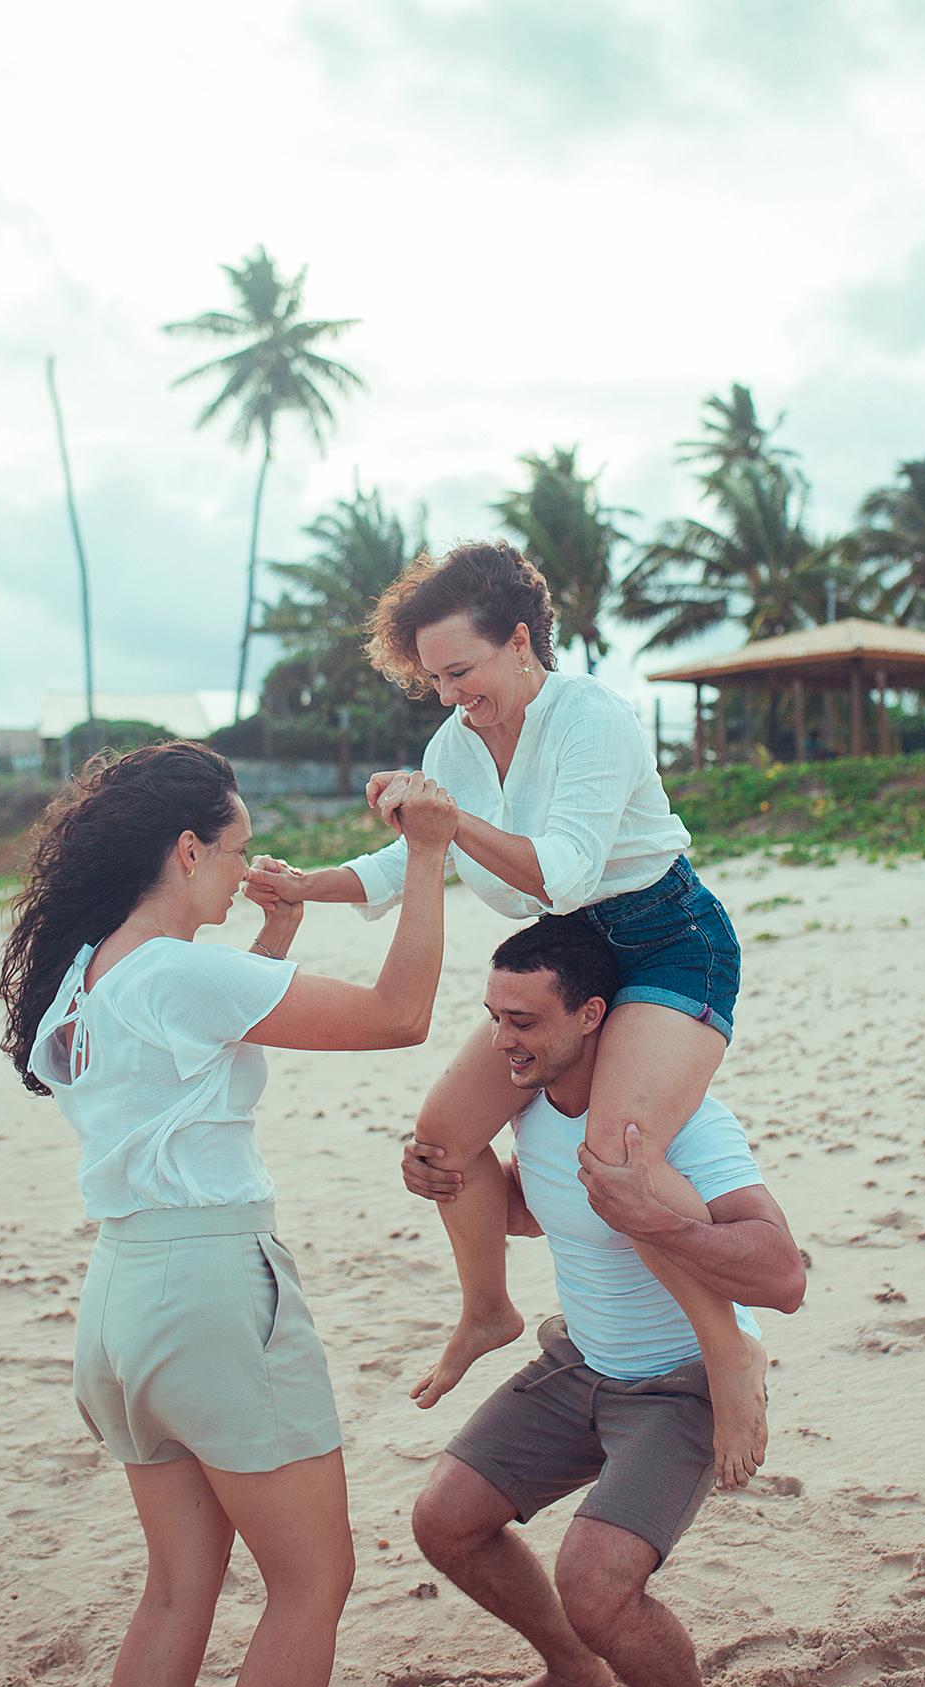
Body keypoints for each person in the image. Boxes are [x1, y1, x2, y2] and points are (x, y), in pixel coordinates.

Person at [246, 541, 763, 1492]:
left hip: (669, 942)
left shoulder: (590, 717)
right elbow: (412, 861)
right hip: (567, 957)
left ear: (521, 642)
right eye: (434, 680)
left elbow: (561, 870)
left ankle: (727, 1347)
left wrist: (444, 820)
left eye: (462, 671)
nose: (450, 696)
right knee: (442, 1137)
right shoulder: (455, 745)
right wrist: (305, 884)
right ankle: (487, 1309)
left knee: (616, 1155)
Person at [0, 742, 457, 1687]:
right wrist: (428, 856)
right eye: (239, 850)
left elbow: (191, 1048)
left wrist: (277, 927)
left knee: (177, 1590)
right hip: (209, 1291)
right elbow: (399, 1017)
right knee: (312, 1582)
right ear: (189, 849)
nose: (250, 867)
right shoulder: (177, 974)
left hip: (121, 1300)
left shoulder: (87, 975)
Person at [402, 917, 806, 1687]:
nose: (502, 1042)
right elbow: (536, 1207)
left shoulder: (680, 1125)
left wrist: (658, 1219)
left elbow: (783, 1274)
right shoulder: (528, 1104)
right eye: (494, 1019)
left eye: (523, 1022)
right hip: (582, 1361)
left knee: (595, 1585)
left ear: (591, 1016)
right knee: (445, 1521)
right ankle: (574, 1667)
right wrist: (448, 1175)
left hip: (680, 1385)